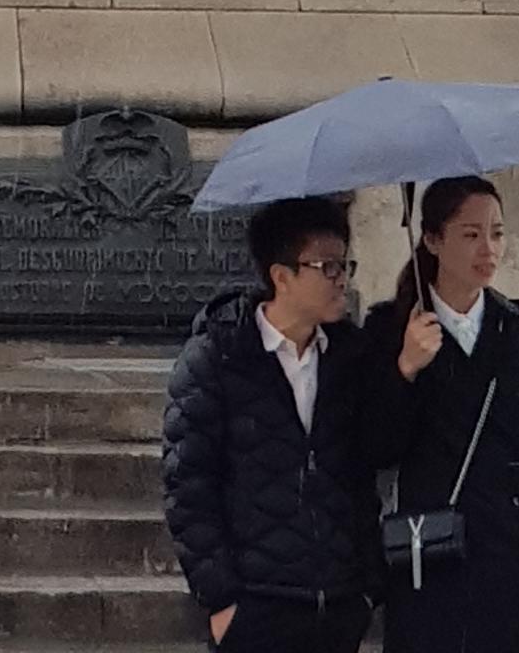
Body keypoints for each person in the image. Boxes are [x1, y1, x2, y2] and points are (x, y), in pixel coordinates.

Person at [356, 175, 519, 653]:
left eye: (497, 233)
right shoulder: (390, 326)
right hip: (429, 547)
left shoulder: (516, 326)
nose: (488, 249)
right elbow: (373, 445)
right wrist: (405, 369)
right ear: (433, 240)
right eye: (471, 234)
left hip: (510, 550)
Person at [161, 194, 378, 652]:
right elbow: (188, 486)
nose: (342, 279)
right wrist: (222, 600)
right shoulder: (217, 356)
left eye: (345, 265)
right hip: (255, 605)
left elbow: (366, 469)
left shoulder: (350, 358)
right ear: (282, 276)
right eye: (327, 267)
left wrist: (366, 589)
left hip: (337, 604)